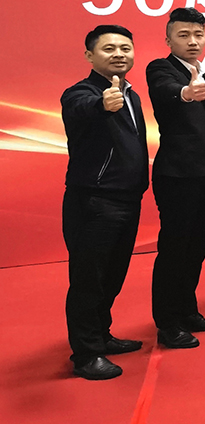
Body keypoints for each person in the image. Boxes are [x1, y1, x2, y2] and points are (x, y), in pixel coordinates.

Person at [60, 25, 148, 380]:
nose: (119, 54)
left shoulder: (131, 95)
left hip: (128, 197)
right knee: (88, 279)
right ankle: (86, 354)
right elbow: (80, 109)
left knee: (112, 275)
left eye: (125, 48)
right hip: (95, 201)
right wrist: (101, 105)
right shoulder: (81, 93)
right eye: (109, 48)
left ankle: (101, 335)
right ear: (89, 55)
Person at [147, 7, 205, 349]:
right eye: (184, 35)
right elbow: (166, 90)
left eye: (198, 35)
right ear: (168, 40)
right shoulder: (161, 69)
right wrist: (185, 93)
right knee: (174, 250)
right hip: (178, 176)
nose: (193, 41)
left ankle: (187, 310)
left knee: (197, 248)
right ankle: (167, 323)